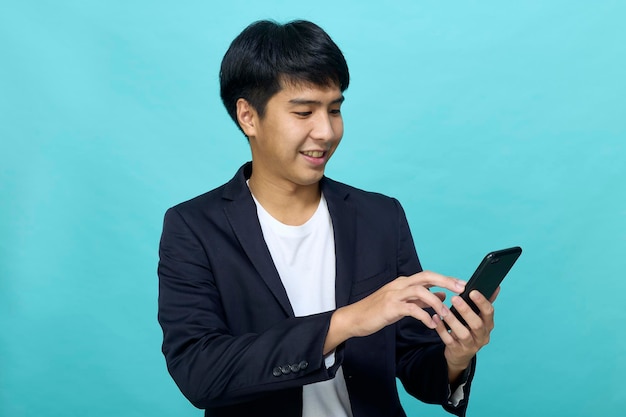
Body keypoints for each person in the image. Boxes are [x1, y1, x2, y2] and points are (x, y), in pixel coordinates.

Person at [158, 19, 497, 417]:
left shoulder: (380, 216)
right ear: (248, 117)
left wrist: (456, 356)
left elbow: (415, 364)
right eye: (304, 112)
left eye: (334, 110)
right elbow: (201, 373)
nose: (326, 131)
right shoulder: (194, 227)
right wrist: (347, 321)